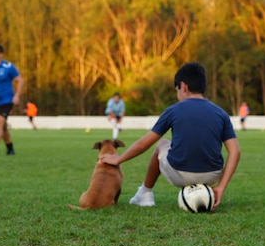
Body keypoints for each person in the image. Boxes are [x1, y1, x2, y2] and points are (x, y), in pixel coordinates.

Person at [99, 62, 240, 209]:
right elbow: (235, 151)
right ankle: (204, 188)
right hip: (212, 175)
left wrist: (119, 159)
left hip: (179, 173)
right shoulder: (221, 113)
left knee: (162, 144)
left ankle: (145, 194)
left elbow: (144, 143)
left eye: (177, 90)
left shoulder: (173, 110)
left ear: (183, 86)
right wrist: (221, 187)